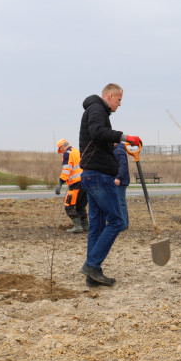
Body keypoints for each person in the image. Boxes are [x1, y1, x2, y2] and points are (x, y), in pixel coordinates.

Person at [77, 83, 142, 287]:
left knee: (96, 226)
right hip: (99, 176)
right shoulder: (97, 108)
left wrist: (116, 143)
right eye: (119, 100)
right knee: (117, 221)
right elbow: (98, 132)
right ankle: (91, 264)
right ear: (110, 95)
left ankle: (93, 274)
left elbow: (99, 137)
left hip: (92, 175)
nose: (120, 104)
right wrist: (125, 137)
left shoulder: (95, 110)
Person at [57, 139, 88, 233]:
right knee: (80, 206)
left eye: (60, 149)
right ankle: (86, 226)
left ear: (62, 146)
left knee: (69, 206)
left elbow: (66, 170)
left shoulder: (67, 154)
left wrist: (60, 183)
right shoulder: (76, 151)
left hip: (75, 184)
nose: (61, 151)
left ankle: (78, 227)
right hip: (84, 182)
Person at [113, 141, 130, 232]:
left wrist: (118, 177)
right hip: (120, 180)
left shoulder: (118, 151)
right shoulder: (118, 150)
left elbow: (123, 165)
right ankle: (124, 223)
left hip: (120, 181)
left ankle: (123, 224)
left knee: (120, 202)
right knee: (120, 202)